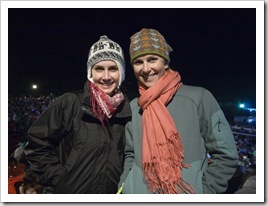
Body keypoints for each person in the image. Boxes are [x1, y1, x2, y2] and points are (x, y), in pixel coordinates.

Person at [118, 28, 239, 194]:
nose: (146, 69)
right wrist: (125, 187)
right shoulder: (134, 106)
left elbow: (226, 155)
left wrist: (205, 193)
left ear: (166, 62)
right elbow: (131, 155)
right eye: (138, 62)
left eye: (152, 59)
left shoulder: (198, 98)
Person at [24, 35, 131, 194]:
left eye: (113, 69)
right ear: (90, 72)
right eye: (99, 68)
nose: (106, 76)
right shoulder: (70, 102)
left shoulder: (126, 110)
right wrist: (60, 180)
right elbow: (36, 144)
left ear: (121, 73)